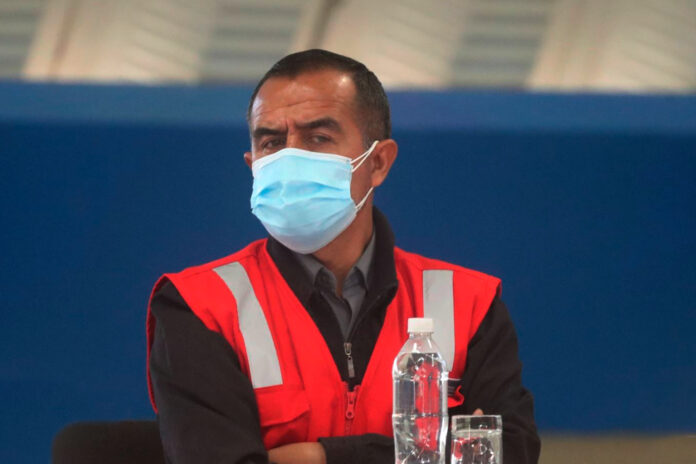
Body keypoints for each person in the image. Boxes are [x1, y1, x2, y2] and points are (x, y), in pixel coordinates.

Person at [146, 49, 540, 464]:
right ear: (252, 164)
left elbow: (510, 453)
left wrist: (321, 456)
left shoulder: (468, 304)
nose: (289, 159)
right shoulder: (199, 306)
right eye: (271, 142)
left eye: (318, 138)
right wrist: (431, 453)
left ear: (378, 162)